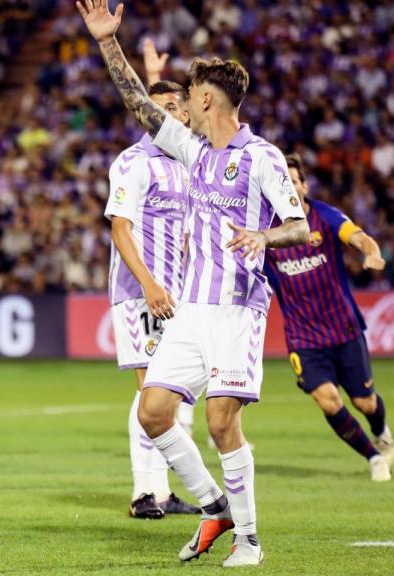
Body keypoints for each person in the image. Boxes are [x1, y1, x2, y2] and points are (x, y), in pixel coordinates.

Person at [77, 0, 311, 567]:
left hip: (237, 311)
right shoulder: (193, 149)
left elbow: (300, 225)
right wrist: (110, 43)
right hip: (190, 313)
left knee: (219, 422)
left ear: (206, 99)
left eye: (189, 91)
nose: (182, 101)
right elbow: (138, 104)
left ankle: (249, 540)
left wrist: (263, 236)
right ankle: (214, 505)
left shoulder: (262, 158)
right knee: (152, 413)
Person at [264, 153, 394, 481]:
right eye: (283, 183)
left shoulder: (324, 216)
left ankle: (381, 430)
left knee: (364, 402)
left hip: (344, 328)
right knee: (327, 400)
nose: (290, 187)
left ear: (304, 185)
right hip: (303, 336)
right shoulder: (264, 232)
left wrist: (371, 252)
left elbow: (357, 235)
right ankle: (373, 457)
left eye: (294, 181)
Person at [105, 76, 199, 520]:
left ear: (184, 113)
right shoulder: (133, 161)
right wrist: (148, 284)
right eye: (152, 106)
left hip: (176, 293)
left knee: (174, 391)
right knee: (151, 389)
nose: (159, 114)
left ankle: (160, 489)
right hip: (140, 291)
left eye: (168, 106)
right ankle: (144, 492)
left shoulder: (187, 162)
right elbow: (120, 228)